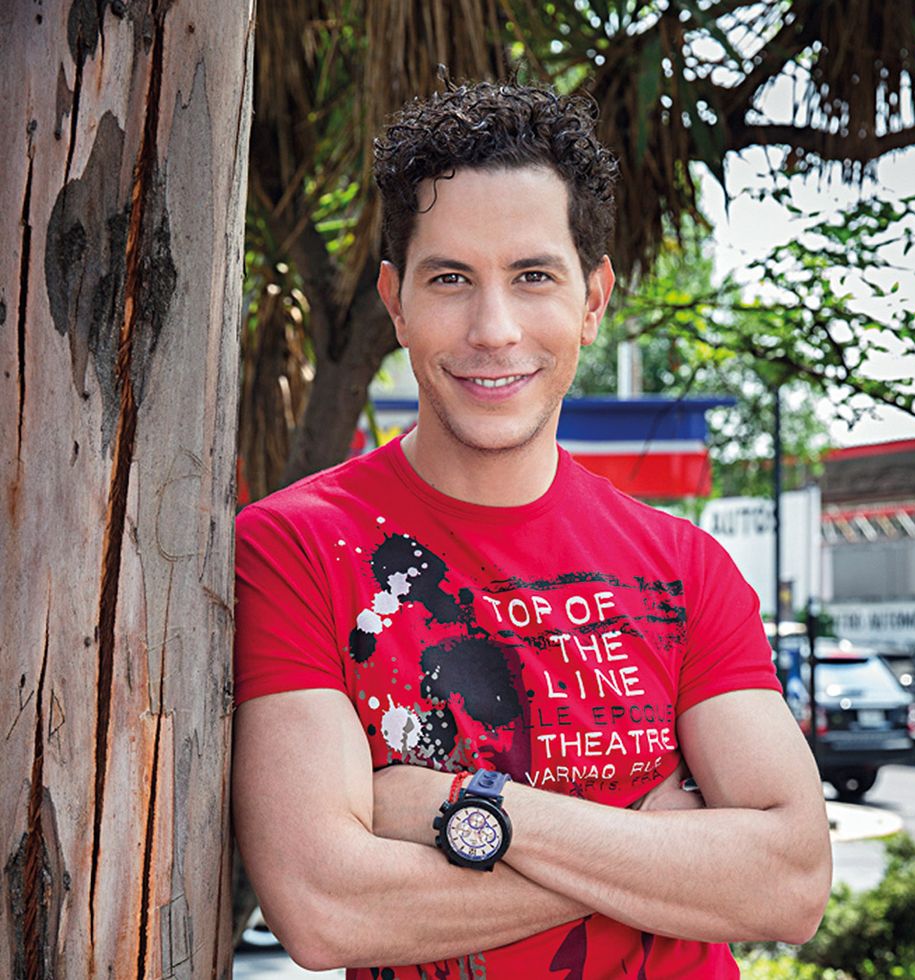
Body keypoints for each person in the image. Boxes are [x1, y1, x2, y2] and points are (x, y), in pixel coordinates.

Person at [232, 80, 832, 978]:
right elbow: (325, 907)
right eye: (450, 280)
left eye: (533, 276)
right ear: (395, 301)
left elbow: (788, 884)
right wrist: (659, 849)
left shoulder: (684, 567)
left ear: (592, 300)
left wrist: (468, 811)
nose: (493, 329)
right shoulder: (294, 549)